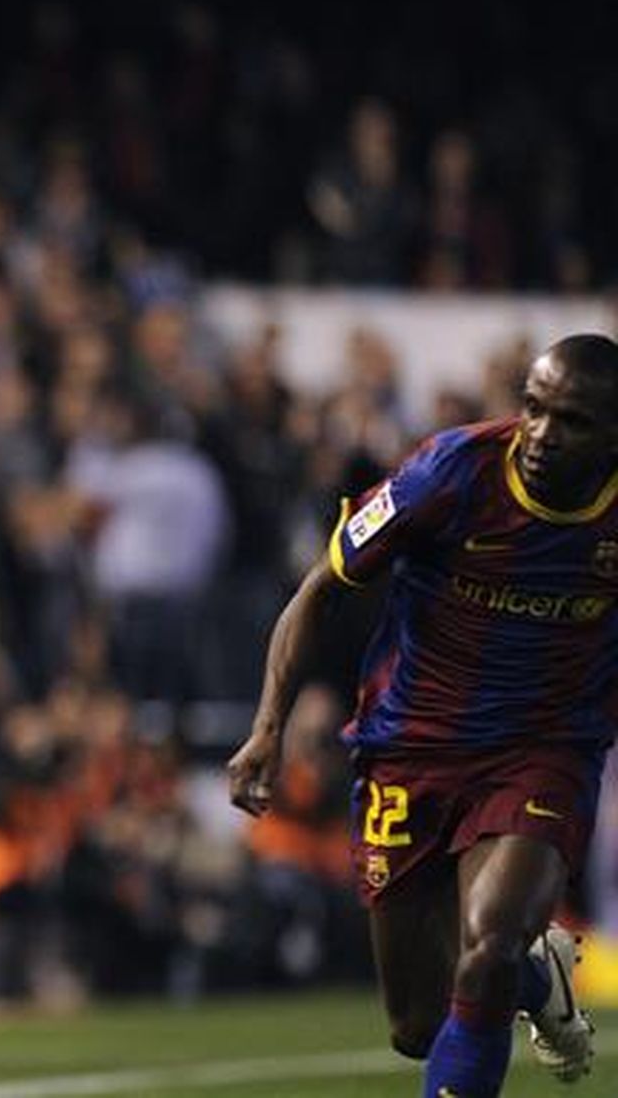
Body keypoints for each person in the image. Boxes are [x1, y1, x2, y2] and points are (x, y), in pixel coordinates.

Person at [228, 333, 618, 1096]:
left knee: (488, 947)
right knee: (416, 1027)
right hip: (410, 747)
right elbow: (323, 588)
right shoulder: (452, 472)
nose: (541, 435)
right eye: (534, 409)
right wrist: (269, 726)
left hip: (542, 750)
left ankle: (515, 963)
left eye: (570, 421)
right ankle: (542, 983)